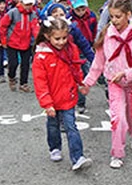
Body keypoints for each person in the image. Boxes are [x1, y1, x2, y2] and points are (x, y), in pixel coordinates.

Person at [82, 0, 132, 169]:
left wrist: (126, 73)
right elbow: (98, 63)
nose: (114, 20)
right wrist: (88, 83)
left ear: (128, 15)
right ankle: (117, 153)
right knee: (118, 118)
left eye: (118, 16)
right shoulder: (107, 34)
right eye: (111, 16)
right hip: (114, 83)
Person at [32, 16, 92, 171]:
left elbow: (76, 68)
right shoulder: (41, 57)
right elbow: (40, 83)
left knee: (71, 126)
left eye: (64, 38)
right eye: (57, 38)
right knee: (53, 125)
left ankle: (78, 157)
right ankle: (54, 147)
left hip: (68, 97)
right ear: (47, 36)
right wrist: (47, 104)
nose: (61, 42)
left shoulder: (71, 49)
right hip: (52, 100)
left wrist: (80, 83)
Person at [0, 0, 40, 92]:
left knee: (25, 64)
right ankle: (11, 76)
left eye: (30, 4)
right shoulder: (13, 13)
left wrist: (38, 40)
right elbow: (3, 26)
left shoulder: (33, 14)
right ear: (21, 3)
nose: (28, 6)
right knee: (13, 63)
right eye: (27, 4)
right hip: (12, 42)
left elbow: (35, 28)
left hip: (26, 43)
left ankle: (23, 83)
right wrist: (4, 40)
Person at [68, 0, 97, 114]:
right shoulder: (69, 20)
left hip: (87, 48)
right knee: (77, 77)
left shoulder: (91, 17)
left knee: (88, 74)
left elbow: (95, 30)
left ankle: (107, 89)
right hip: (74, 51)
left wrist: (95, 44)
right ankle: (80, 102)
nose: (80, 12)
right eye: (78, 9)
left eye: (83, 8)